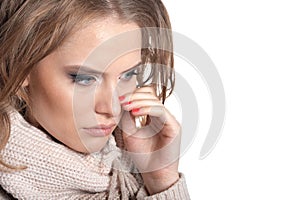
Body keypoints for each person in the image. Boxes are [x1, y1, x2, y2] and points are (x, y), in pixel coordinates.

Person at [0, 0, 190, 199]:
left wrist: (160, 181)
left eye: (128, 75)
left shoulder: (126, 172)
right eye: (84, 79)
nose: (113, 108)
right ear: (19, 64)